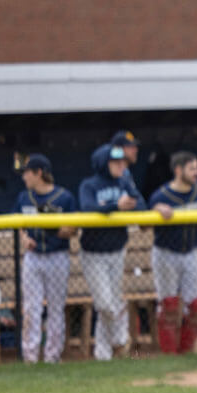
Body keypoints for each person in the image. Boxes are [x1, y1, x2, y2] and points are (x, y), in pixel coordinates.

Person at [149, 150, 197, 354]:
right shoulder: (161, 195)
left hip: (191, 252)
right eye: (192, 168)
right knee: (170, 306)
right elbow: (144, 223)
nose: (196, 172)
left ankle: (185, 350)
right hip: (166, 253)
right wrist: (155, 210)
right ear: (178, 170)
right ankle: (169, 354)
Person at [78, 143, 146, 360]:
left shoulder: (124, 182)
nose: (121, 165)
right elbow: (87, 208)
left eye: (122, 161)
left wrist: (130, 198)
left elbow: (141, 206)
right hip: (93, 253)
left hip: (117, 251)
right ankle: (120, 339)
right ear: (103, 163)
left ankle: (103, 354)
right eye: (115, 162)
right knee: (106, 303)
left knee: (108, 304)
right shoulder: (89, 185)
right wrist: (115, 205)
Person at [15, 154, 77, 364]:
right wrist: (24, 238)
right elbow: (19, 224)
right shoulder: (24, 198)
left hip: (57, 256)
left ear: (39, 173)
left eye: (27, 172)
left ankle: (52, 355)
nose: (24, 177)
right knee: (32, 308)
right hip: (33, 258)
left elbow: (73, 229)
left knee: (55, 308)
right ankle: (30, 356)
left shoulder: (64, 197)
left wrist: (55, 230)